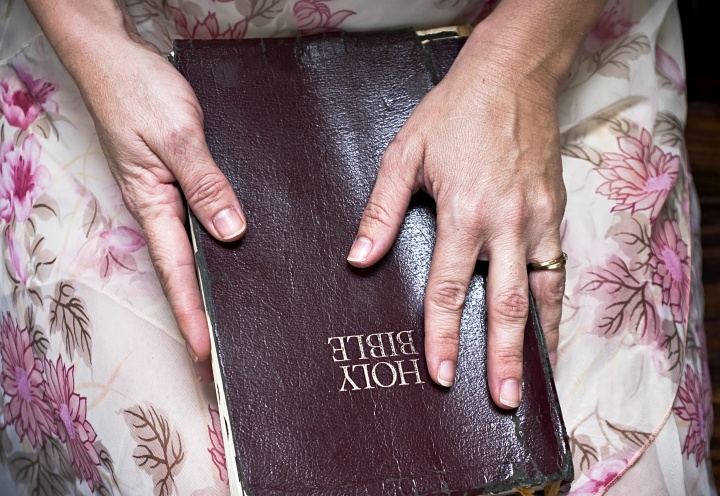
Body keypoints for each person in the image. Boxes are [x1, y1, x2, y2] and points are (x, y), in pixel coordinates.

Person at [0, 0, 713, 494]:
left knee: (606, 471)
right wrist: (92, 44)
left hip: (534, 38)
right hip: (125, 53)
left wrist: (516, 69)